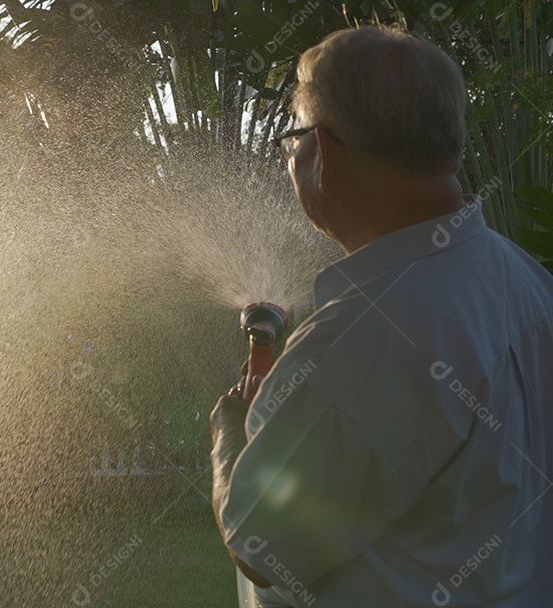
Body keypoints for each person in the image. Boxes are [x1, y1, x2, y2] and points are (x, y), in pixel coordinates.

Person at [210, 25, 553, 607]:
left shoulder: (365, 336)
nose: (291, 158)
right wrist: (296, 412)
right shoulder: (525, 280)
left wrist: (230, 437)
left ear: (327, 150)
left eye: (292, 139)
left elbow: (260, 546)